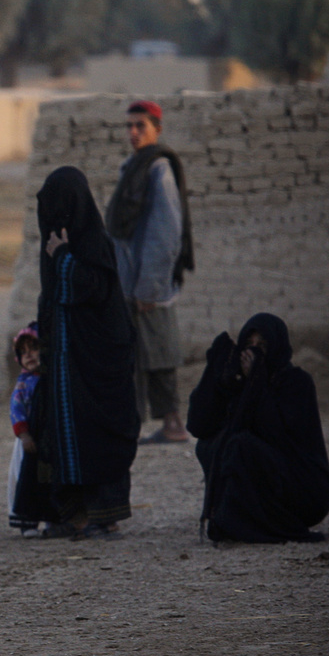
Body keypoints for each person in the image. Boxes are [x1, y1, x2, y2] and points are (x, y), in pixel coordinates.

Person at [32, 166, 140, 539]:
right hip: (65, 367)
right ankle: (74, 514)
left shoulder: (93, 244)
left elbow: (95, 289)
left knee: (96, 434)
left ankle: (102, 514)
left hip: (97, 366)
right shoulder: (51, 245)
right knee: (65, 433)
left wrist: (63, 258)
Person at [186, 313, 329, 543]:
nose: (253, 352)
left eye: (262, 345)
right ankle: (236, 519)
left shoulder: (295, 383)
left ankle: (253, 523)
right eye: (249, 344)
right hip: (271, 478)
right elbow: (199, 425)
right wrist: (217, 377)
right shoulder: (241, 381)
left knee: (240, 445)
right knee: (212, 444)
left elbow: (279, 438)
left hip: (304, 490)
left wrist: (257, 383)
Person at [105, 100, 194, 445]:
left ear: (157, 128)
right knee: (138, 354)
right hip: (132, 281)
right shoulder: (134, 167)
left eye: (140, 125)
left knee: (159, 353)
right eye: (128, 126)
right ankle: (143, 424)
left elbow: (166, 233)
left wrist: (149, 287)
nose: (133, 132)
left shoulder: (158, 170)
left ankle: (172, 424)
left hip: (148, 285)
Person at [6, 323, 42, 536]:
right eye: (23, 352)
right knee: (23, 477)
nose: (28, 356)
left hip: (47, 439)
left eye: (34, 349)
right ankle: (26, 521)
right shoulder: (24, 384)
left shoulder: (53, 380)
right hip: (27, 440)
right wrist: (24, 434)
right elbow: (16, 410)